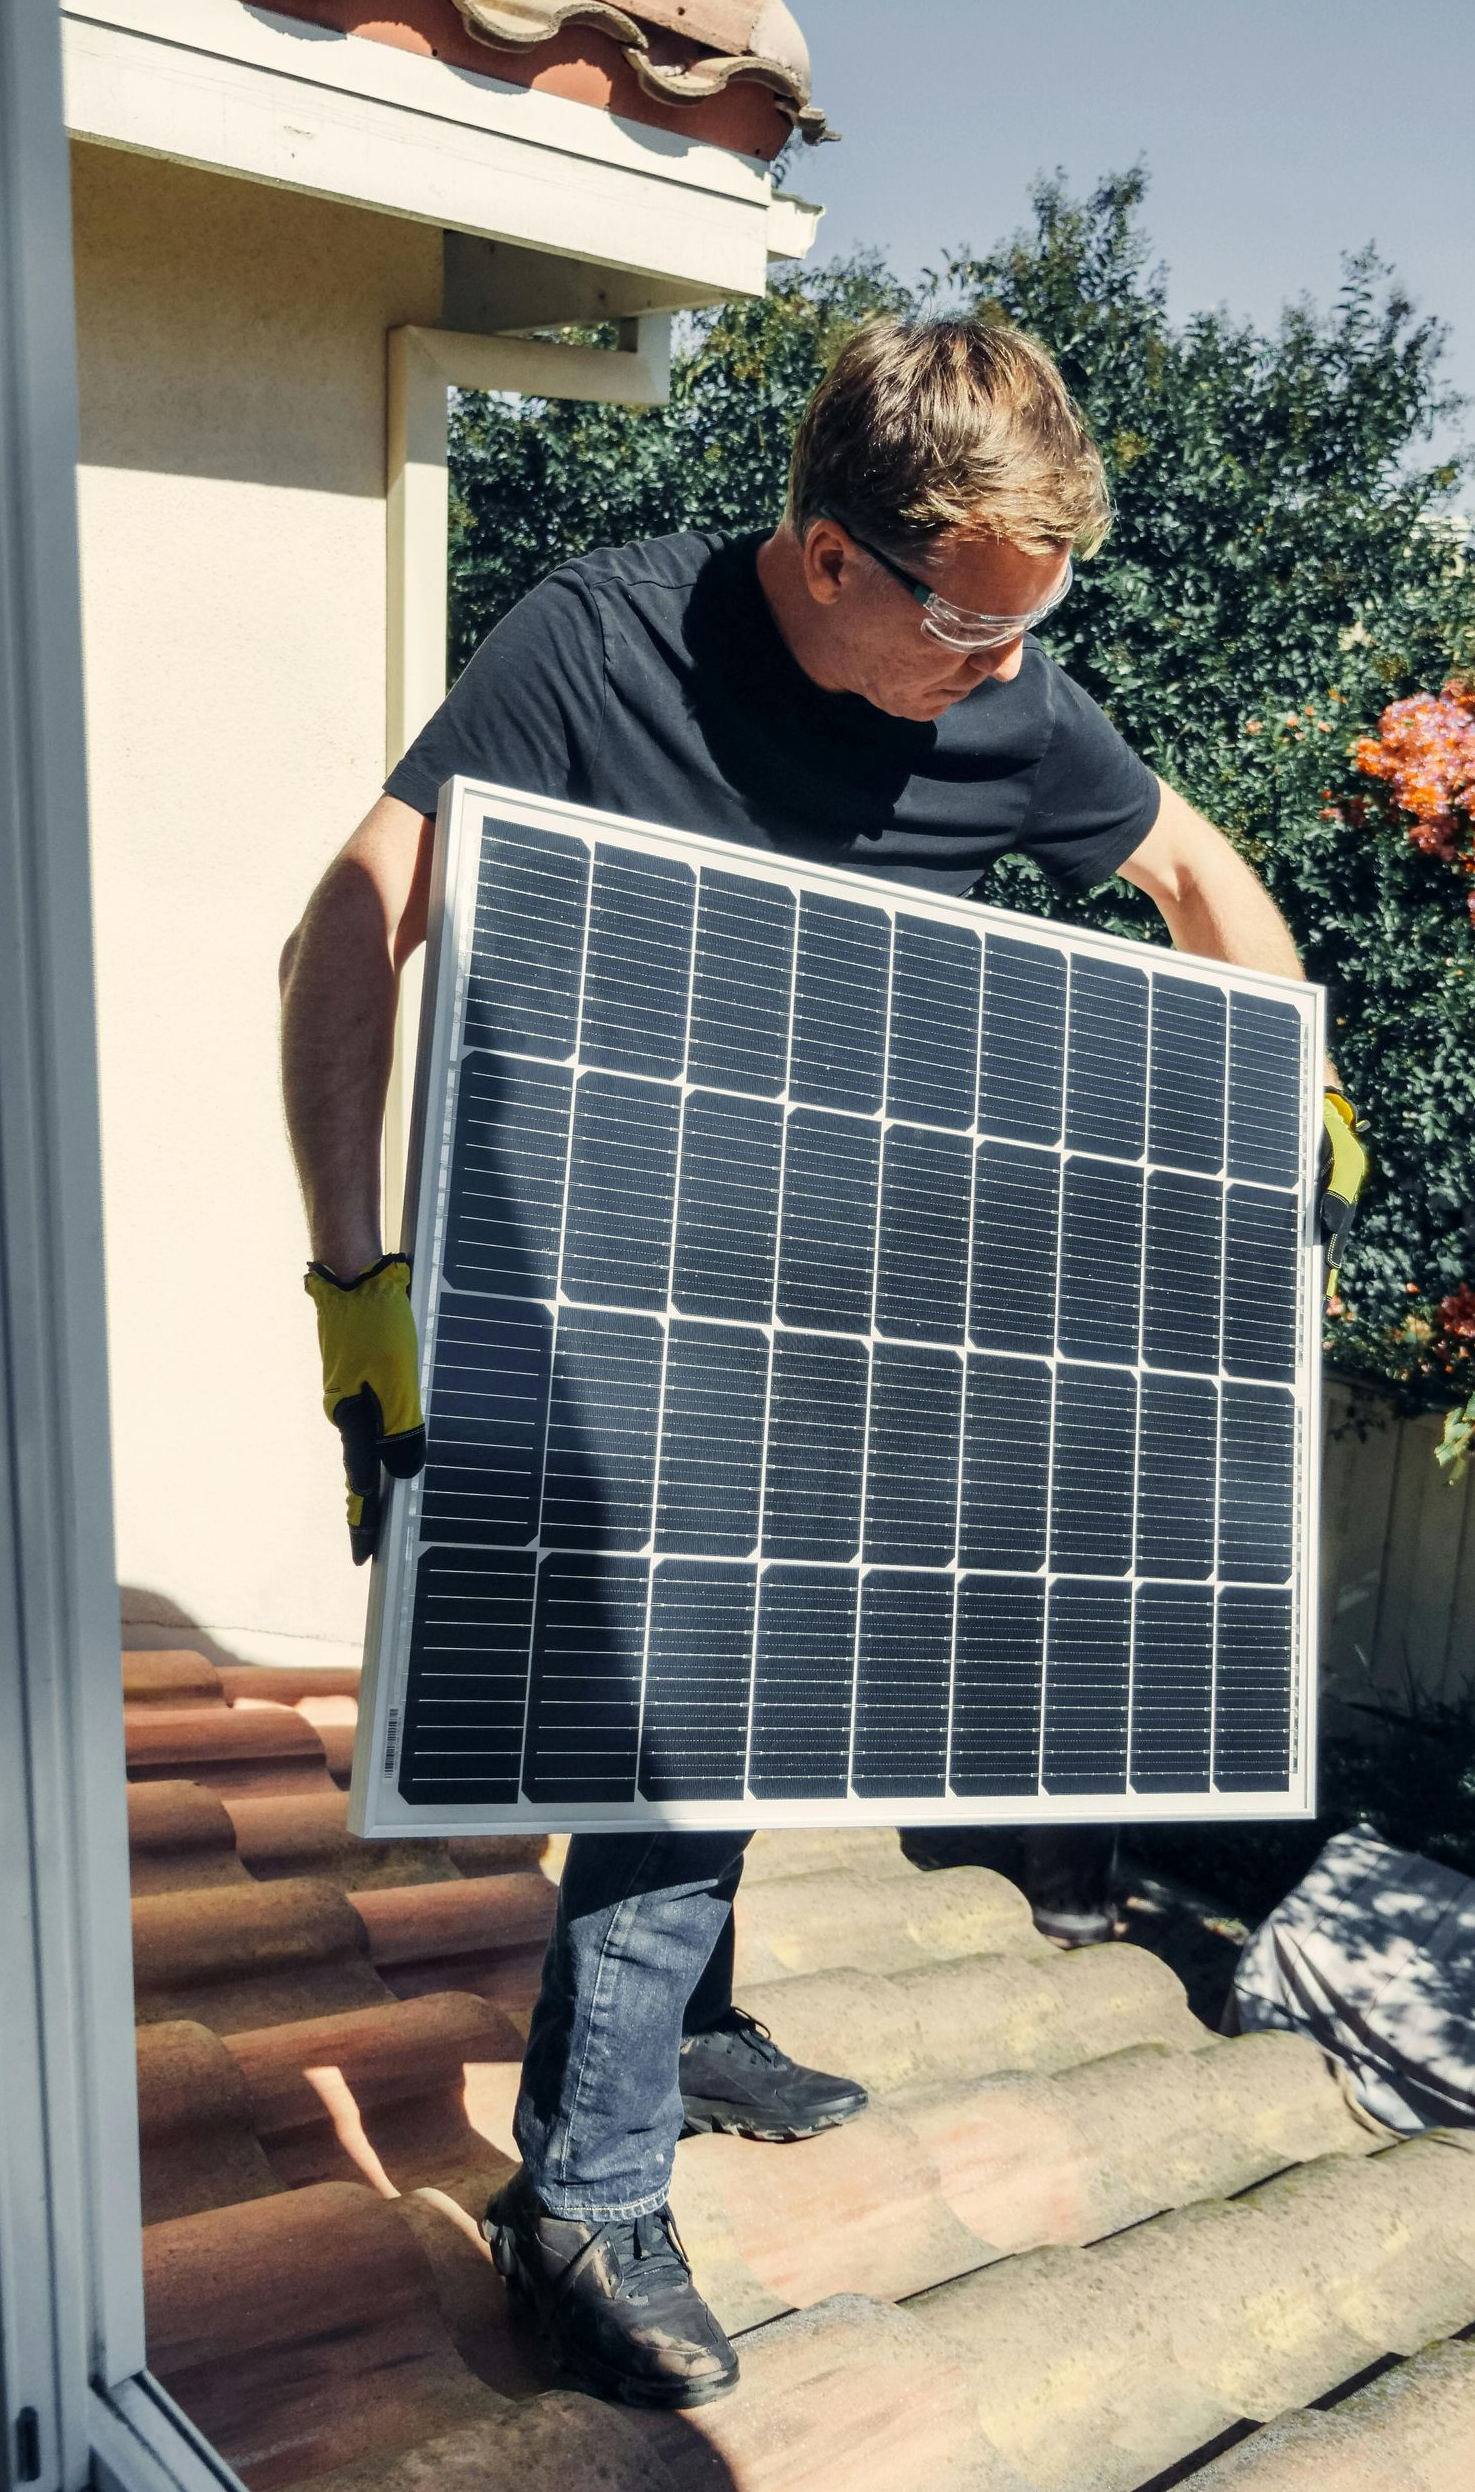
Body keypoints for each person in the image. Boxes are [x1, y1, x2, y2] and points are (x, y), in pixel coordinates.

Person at [280, 315, 1367, 2409]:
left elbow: (1191, 872)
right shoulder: (599, 644)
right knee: (669, 1712)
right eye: (962, 625)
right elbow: (349, 922)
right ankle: (580, 2196)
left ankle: (682, 2022)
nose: (1000, 670)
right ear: (829, 554)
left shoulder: (1005, 692)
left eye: (1033, 626)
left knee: (794, 1657)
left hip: (837, 1294)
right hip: (606, 1276)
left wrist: (1285, 1100)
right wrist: (355, 1283)